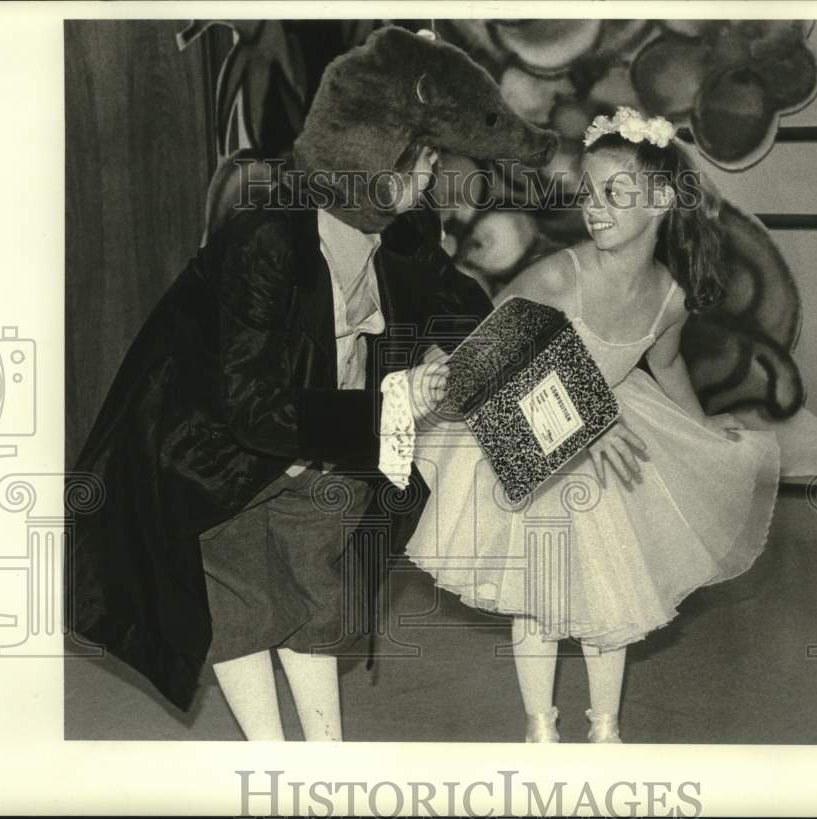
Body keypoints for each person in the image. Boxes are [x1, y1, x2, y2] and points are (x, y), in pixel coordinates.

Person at [67, 25, 557, 741]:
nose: (429, 181)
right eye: (422, 164)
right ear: (382, 165)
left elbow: (466, 316)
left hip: (327, 455)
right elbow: (248, 406)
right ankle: (271, 758)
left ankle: (322, 755)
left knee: (319, 599)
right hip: (221, 461)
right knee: (242, 607)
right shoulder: (264, 238)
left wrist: (552, 429)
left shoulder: (402, 230)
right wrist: (394, 404)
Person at [404, 106, 780, 743]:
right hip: (523, 426)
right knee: (540, 590)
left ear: (660, 200)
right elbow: (484, 371)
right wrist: (582, 424)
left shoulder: (669, 297)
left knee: (613, 588)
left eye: (615, 193)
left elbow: (664, 365)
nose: (595, 208)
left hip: (608, 431)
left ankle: (605, 731)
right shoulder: (556, 278)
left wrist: (702, 430)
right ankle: (540, 730)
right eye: (589, 193)